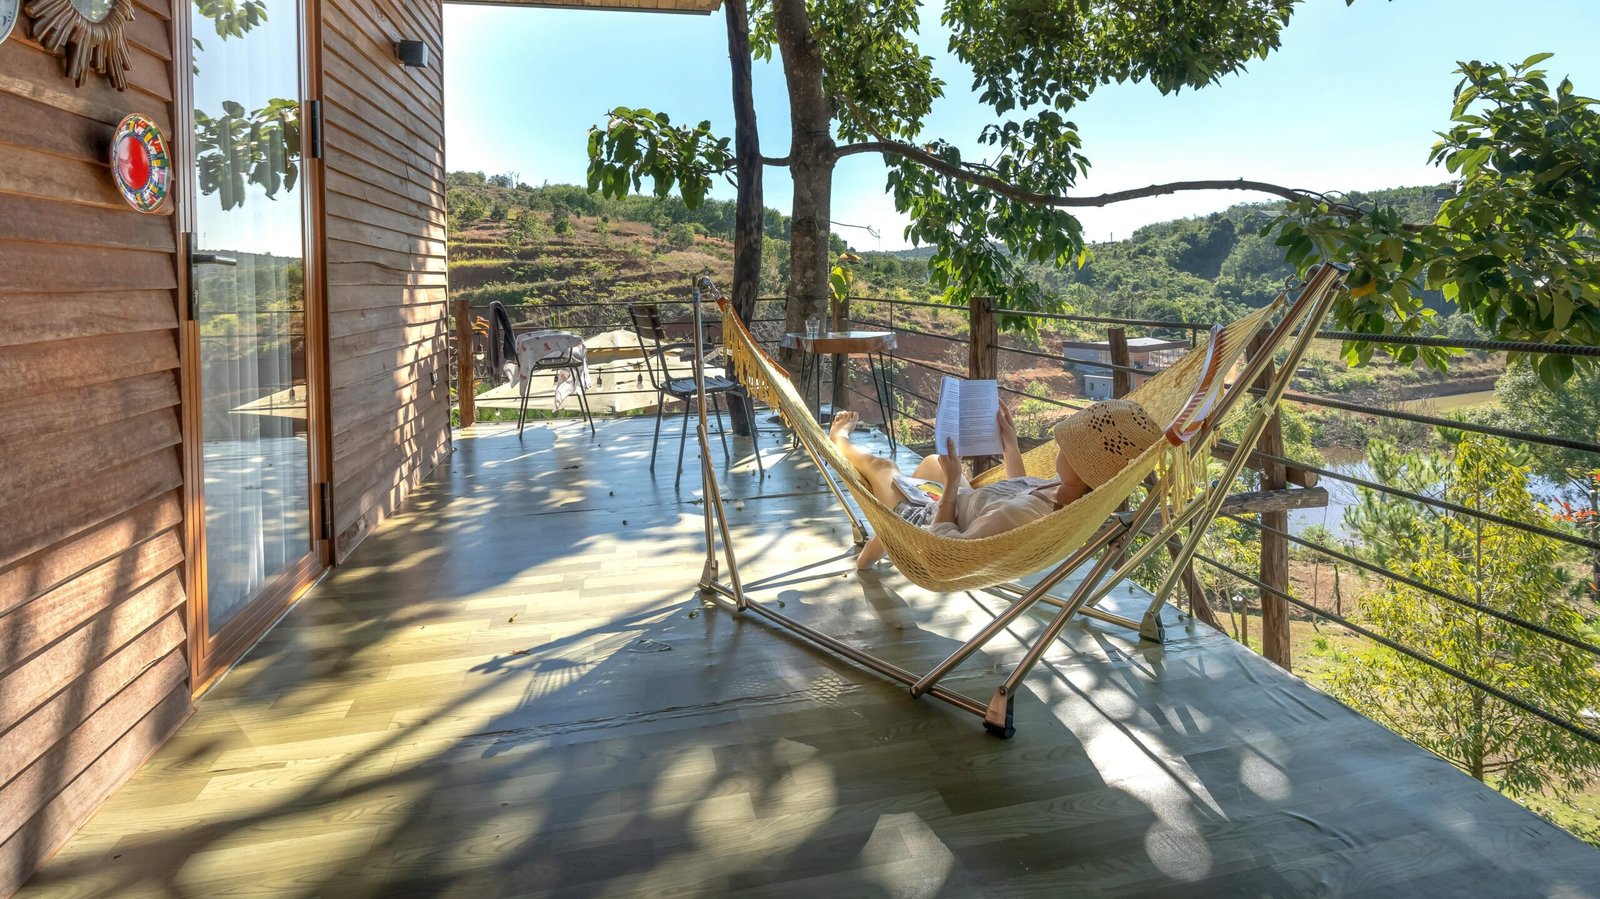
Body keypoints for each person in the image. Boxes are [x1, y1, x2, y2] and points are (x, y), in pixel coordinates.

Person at [829, 398, 1163, 570]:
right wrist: (1010, 445)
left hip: (929, 524)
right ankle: (882, 539)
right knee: (932, 463)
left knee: (884, 467)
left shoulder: (1020, 517)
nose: (1058, 446)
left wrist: (952, 484)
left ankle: (840, 439)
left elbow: (949, 552)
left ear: (1079, 462)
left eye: (1065, 446)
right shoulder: (1067, 492)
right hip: (967, 503)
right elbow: (1018, 487)